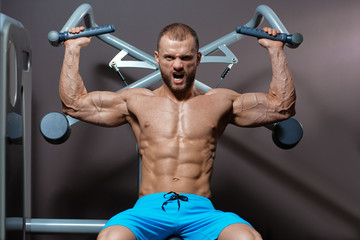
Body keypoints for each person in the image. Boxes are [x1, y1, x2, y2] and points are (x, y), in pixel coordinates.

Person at [59, 23, 295, 240]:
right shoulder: (136, 101)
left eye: (185, 57)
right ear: (157, 58)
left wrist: (275, 50)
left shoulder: (220, 102)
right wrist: (72, 48)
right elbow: (74, 104)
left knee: (248, 238)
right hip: (148, 211)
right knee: (111, 238)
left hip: (201, 212)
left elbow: (282, 107)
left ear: (198, 59)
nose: (178, 65)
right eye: (170, 57)